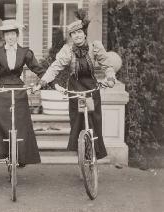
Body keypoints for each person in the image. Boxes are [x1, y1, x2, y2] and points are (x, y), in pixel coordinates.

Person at [34, 10, 117, 160]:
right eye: (74, 34)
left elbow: (107, 64)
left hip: (91, 87)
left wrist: (110, 78)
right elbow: (55, 66)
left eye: (79, 32)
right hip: (75, 88)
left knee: (95, 120)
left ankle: (95, 152)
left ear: (84, 33)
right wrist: (43, 82)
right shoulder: (67, 50)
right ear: (71, 37)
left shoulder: (95, 47)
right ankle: (81, 151)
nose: (77, 36)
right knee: (78, 121)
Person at [0, 20, 44, 166]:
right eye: (7, 34)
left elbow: (38, 69)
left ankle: (21, 155)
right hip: (1, 88)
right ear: (3, 36)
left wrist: (44, 82)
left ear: (17, 36)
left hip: (18, 88)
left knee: (21, 122)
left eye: (13, 34)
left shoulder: (25, 52)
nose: (10, 37)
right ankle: (1, 150)